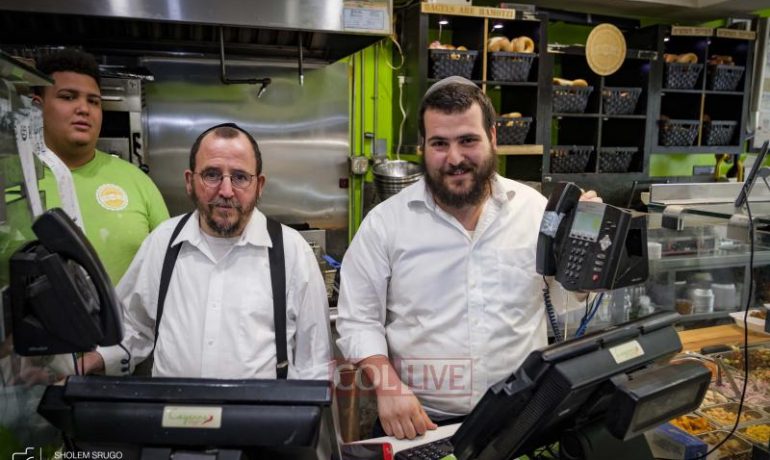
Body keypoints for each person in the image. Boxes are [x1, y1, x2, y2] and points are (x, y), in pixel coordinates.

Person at [335, 76, 600, 440]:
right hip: (421, 423)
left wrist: (582, 253)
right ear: (422, 146)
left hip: (521, 419)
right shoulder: (386, 223)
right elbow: (357, 320)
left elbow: (564, 305)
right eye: (440, 143)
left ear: (492, 138)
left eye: (468, 141)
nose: (455, 158)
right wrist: (388, 387)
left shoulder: (536, 212)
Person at [83, 123, 332, 380]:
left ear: (259, 185)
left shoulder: (292, 252)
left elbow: (314, 364)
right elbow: (134, 327)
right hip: (173, 414)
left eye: (240, 177)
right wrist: (94, 359)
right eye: (212, 175)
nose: (226, 191)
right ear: (190, 181)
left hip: (260, 417)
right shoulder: (163, 243)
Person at [33, 48, 169, 284]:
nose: (84, 109)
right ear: (37, 106)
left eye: (93, 101)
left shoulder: (137, 181)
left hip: (124, 322)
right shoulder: (11, 179)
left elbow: (169, 264)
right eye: (68, 97)